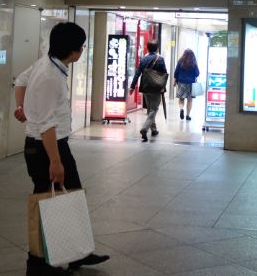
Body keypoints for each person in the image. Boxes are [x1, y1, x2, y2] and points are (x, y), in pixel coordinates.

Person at [15, 22, 109, 275]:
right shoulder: (49, 76)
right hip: (45, 147)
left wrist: (21, 108)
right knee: (47, 202)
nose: (82, 51)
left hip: (54, 144)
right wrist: (55, 162)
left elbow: (20, 80)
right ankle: (38, 264)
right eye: (81, 47)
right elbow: (47, 124)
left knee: (71, 195)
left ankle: (76, 252)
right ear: (73, 50)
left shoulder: (47, 64)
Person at [129, 41, 167, 142]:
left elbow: (137, 73)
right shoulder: (160, 59)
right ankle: (145, 128)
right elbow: (164, 74)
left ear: (148, 48)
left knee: (150, 109)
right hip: (156, 88)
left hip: (145, 87)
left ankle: (154, 130)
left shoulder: (144, 59)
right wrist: (163, 87)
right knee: (154, 109)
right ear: (157, 49)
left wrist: (132, 87)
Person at [174, 49, 200, 121]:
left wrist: (175, 80)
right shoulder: (193, 63)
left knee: (181, 99)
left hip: (181, 82)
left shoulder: (180, 61)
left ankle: (181, 109)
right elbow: (197, 73)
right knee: (189, 100)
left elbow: (176, 72)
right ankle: (188, 115)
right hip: (191, 83)